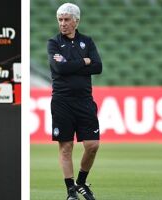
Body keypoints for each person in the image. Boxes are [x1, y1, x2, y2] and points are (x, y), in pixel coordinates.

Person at [47, 3, 102, 200]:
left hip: (85, 101)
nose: (63, 24)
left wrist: (71, 65)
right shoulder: (53, 43)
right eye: (60, 20)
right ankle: (71, 191)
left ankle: (81, 182)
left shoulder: (87, 42)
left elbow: (98, 67)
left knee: (93, 144)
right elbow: (59, 69)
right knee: (66, 146)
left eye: (67, 19)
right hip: (62, 101)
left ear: (76, 21)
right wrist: (83, 62)